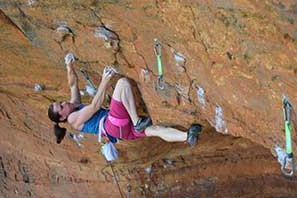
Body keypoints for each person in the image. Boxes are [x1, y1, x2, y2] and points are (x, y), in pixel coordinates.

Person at [47, 53, 202, 147]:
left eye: (60, 102)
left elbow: (73, 84)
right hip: (112, 126)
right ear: (62, 117)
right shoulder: (74, 119)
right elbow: (95, 105)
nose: (63, 103)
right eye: (61, 107)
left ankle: (187, 136)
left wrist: (69, 66)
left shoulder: (73, 107)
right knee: (122, 83)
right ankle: (136, 122)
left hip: (119, 130)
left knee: (156, 130)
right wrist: (105, 80)